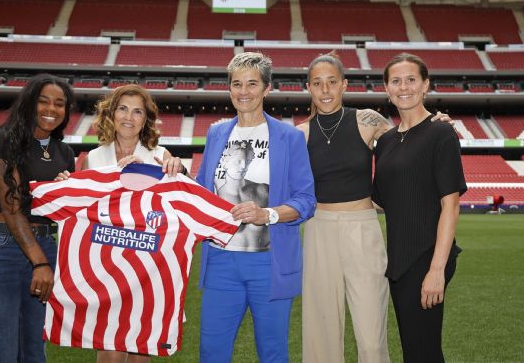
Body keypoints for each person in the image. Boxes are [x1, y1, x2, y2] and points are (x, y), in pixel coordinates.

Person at [297, 52, 452, 363]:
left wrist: (438, 121)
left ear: (343, 84)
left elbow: (410, 136)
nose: (325, 90)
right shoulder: (299, 133)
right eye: (317, 84)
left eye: (331, 82)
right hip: (319, 228)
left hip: (362, 227)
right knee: (321, 333)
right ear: (308, 88)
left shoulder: (368, 120)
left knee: (371, 337)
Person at [196, 52, 316, 363]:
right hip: (220, 260)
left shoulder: (288, 137)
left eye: (252, 83)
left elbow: (306, 199)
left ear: (266, 88)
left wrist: (268, 214)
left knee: (273, 353)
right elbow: (199, 192)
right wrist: (170, 172)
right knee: (211, 352)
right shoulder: (216, 133)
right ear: (229, 88)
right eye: (237, 84)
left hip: (269, 263)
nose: (244, 91)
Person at [58, 84, 186, 363]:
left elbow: (180, 207)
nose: (129, 117)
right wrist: (65, 189)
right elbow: (80, 213)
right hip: (107, 268)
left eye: (137, 111)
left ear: (146, 119)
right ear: (112, 113)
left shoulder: (161, 156)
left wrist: (179, 171)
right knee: (109, 351)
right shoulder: (92, 159)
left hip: (147, 268)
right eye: (123, 108)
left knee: (140, 352)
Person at [0, 73, 76, 362]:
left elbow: (63, 212)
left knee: (35, 350)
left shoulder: (65, 152)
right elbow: (12, 208)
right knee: (3, 352)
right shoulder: (3, 141)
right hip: (1, 248)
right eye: (43, 101)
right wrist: (40, 262)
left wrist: (64, 189)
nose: (51, 109)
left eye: (59, 104)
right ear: (29, 103)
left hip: (46, 245)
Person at [372, 53, 467, 362]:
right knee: (415, 350)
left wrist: (437, 270)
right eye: (395, 81)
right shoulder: (385, 141)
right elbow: (380, 200)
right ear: (386, 89)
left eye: (411, 79)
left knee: (423, 352)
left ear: (425, 85)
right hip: (400, 260)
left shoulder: (441, 132)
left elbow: (450, 206)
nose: (404, 87)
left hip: (427, 258)